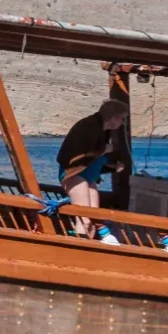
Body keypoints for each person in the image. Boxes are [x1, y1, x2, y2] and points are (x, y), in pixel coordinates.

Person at [58, 99, 130, 234]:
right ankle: (77, 249)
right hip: (75, 175)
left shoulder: (103, 130)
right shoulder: (88, 127)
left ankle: (89, 246)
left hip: (88, 177)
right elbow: (78, 155)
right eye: (122, 119)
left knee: (93, 219)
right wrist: (104, 149)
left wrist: (112, 167)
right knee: (83, 219)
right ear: (113, 118)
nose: (123, 123)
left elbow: (93, 160)